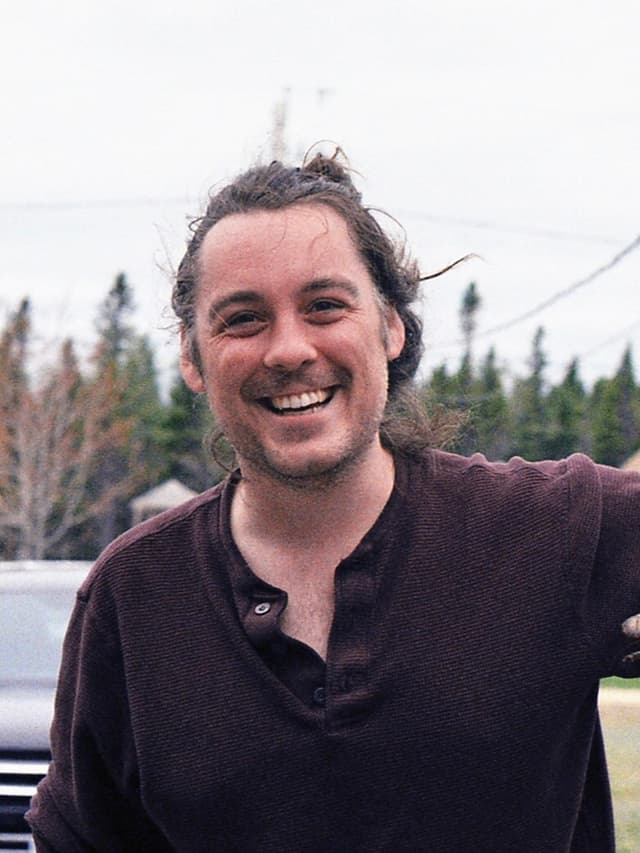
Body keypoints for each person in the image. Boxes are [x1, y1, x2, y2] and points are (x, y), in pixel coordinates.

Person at [28, 152, 640, 852]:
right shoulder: (133, 596)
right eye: (243, 319)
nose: (288, 349)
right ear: (193, 358)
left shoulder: (553, 532)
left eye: (324, 305)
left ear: (390, 327)